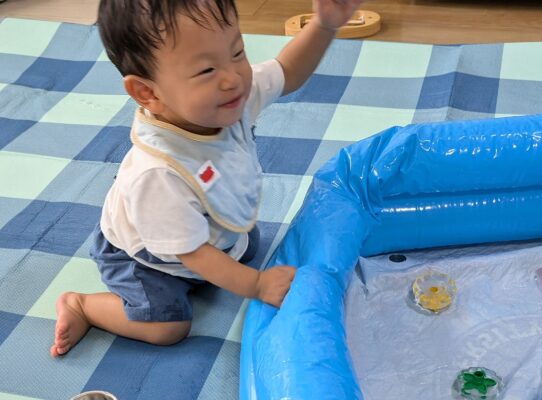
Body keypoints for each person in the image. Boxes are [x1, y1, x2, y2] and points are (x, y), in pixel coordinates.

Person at [50, 0, 362, 357]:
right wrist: (257, 285)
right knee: (168, 326)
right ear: (147, 93)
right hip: (145, 257)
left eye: (237, 52)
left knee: (248, 245)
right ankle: (82, 305)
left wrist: (324, 25)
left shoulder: (227, 96)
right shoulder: (157, 173)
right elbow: (194, 254)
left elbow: (287, 71)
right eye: (206, 70)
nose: (233, 78)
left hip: (199, 228)